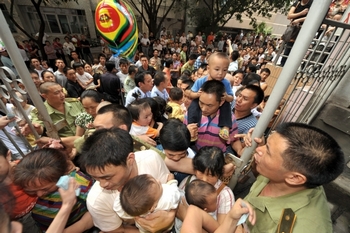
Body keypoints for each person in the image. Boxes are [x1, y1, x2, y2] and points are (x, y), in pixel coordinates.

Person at [243, 122, 344, 232]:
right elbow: (259, 176)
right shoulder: (292, 172)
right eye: (266, 144)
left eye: (268, 151)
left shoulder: (304, 228)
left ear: (295, 178)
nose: (258, 149)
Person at [78, 127, 174, 233]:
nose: (102, 184)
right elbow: (119, 230)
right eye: (95, 178)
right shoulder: (97, 200)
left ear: (130, 160)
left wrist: (170, 216)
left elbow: (170, 194)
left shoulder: (152, 160)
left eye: (107, 177)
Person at [13, 148, 93, 232]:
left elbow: (97, 213)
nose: (39, 194)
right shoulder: (25, 184)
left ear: (62, 176)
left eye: (45, 189)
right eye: (31, 191)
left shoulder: (78, 184)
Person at [175, 146, 235, 232]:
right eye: (201, 172)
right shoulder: (187, 182)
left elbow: (222, 230)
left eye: (210, 175)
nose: (204, 179)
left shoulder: (225, 195)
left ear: (219, 174)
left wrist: (185, 216)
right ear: (195, 169)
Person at [185, 52, 234, 142]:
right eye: (217, 69)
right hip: (199, 100)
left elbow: (231, 98)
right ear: (208, 68)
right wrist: (197, 95)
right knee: (193, 105)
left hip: (220, 102)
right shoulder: (201, 81)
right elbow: (191, 94)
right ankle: (192, 127)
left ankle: (225, 127)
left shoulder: (226, 82)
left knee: (226, 106)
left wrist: (226, 96)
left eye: (224, 70)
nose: (220, 73)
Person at [185, 80, 242, 154]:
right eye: (201, 103)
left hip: (216, 159)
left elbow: (234, 139)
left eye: (209, 105)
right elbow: (182, 137)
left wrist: (240, 151)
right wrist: (186, 133)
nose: (204, 109)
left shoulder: (229, 118)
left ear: (221, 102)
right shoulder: (190, 115)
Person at [115, 174, 181, 233]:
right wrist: (172, 182)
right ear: (152, 207)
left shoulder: (132, 210)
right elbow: (176, 193)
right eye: (158, 185)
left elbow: (117, 207)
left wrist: (127, 193)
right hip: (167, 226)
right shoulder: (165, 201)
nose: (159, 181)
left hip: (144, 230)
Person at [280, 0, 313, 66]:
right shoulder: (297, 3)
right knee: (288, 48)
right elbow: (289, 16)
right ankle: (283, 64)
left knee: (297, 50)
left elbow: (312, 17)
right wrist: (301, 13)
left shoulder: (312, 3)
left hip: (304, 29)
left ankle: (291, 65)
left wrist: (299, 19)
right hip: (293, 29)